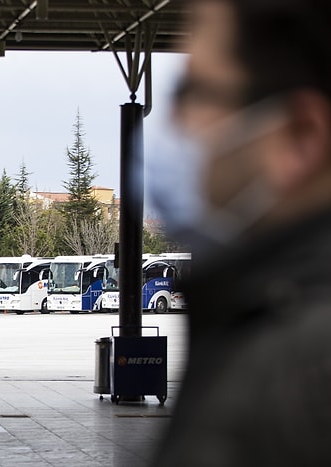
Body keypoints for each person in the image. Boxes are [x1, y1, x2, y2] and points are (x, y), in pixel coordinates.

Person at [150, 1, 331, 466]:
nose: (174, 127)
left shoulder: (293, 377)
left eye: (195, 93)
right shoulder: (265, 312)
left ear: (299, 137)